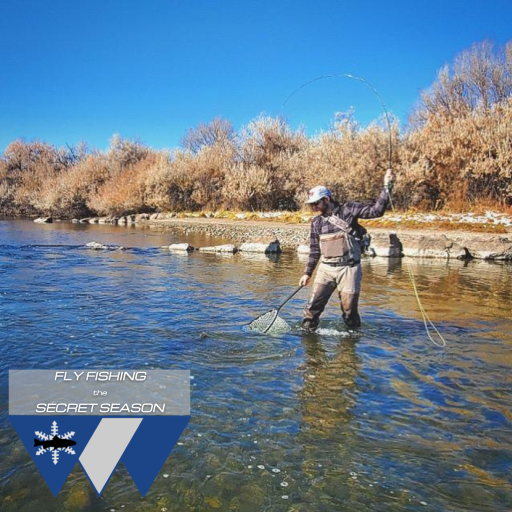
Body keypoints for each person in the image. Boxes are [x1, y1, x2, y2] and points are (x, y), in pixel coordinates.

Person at [299, 169, 395, 331]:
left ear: (327, 199)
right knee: (311, 311)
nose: (314, 207)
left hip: (349, 269)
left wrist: (387, 186)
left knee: (349, 312)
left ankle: (350, 344)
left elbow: (376, 211)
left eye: (316, 203)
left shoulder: (349, 209)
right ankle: (308, 342)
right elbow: (315, 250)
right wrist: (307, 273)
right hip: (326, 269)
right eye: (311, 204)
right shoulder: (316, 222)